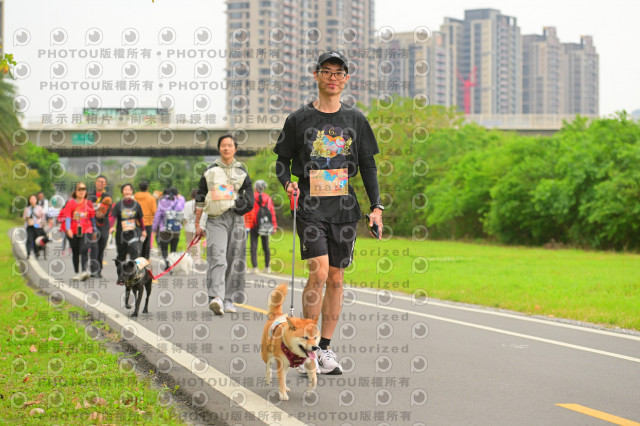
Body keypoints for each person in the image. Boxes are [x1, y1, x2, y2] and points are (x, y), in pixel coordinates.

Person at [274, 51, 384, 375]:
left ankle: (324, 347)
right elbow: (281, 162)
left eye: (338, 73)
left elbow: (368, 165)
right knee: (319, 272)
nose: (332, 77)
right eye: (327, 71)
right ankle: (307, 348)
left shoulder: (355, 119)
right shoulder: (298, 119)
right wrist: (288, 184)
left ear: (346, 79)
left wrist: (376, 207)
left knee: (336, 277)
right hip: (310, 205)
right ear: (316, 75)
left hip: (345, 208)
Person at [194, 134, 253, 315]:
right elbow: (200, 199)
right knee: (217, 257)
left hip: (236, 219)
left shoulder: (242, 172)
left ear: (235, 149)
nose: (226, 148)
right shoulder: (210, 171)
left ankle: (229, 299)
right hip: (215, 219)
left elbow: (249, 200)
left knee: (234, 259)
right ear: (219, 148)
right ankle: (216, 297)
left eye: (229, 145)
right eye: (223, 145)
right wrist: (197, 224)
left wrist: (235, 203)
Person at [109, 183, 146, 285]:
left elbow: (140, 218)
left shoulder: (136, 204)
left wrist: (143, 230)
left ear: (132, 191)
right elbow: (113, 217)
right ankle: (121, 277)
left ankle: (134, 274)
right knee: (121, 256)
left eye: (129, 190)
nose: (127, 192)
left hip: (134, 232)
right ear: (122, 192)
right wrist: (111, 226)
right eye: (125, 190)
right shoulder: (118, 205)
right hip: (121, 234)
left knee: (135, 250)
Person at [59, 182, 97, 281]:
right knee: (75, 251)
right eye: (79, 189)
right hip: (74, 230)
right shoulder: (70, 203)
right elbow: (67, 217)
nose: (81, 191)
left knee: (84, 249)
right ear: (75, 191)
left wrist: (94, 230)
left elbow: (92, 218)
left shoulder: (89, 203)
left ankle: (84, 271)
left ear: (86, 191)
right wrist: (68, 229)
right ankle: (76, 273)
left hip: (87, 229)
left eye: (83, 189)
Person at [247, 180, 277, 274]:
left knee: (253, 246)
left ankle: (255, 267)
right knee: (266, 246)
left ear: (255, 187)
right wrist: (274, 226)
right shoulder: (268, 198)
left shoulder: (252, 197)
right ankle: (267, 267)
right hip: (265, 225)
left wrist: (248, 223)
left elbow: (249, 211)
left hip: (254, 224)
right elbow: (272, 212)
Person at [152, 189, 184, 271]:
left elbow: (157, 216)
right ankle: (172, 264)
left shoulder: (162, 202)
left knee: (164, 248)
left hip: (164, 230)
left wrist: (154, 228)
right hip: (176, 230)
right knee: (173, 249)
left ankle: (167, 263)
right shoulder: (179, 202)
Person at [88, 175, 112, 278]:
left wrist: (100, 212)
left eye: (103, 182)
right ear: (95, 182)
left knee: (101, 248)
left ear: (105, 184)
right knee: (94, 247)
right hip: (92, 224)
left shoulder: (107, 196)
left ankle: (99, 270)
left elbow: (107, 210)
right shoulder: (90, 196)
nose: (100, 183)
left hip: (104, 225)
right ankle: (93, 270)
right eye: (99, 181)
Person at [134, 181, 157, 261]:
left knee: (138, 240)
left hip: (137, 222)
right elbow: (154, 211)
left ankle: (138, 257)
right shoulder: (151, 198)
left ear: (139, 188)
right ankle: (146, 258)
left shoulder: (135, 197)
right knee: (147, 241)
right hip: (148, 222)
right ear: (147, 188)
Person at [183, 188, 207, 260]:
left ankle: (190, 261)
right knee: (197, 245)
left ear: (192, 195)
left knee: (189, 245)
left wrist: (184, 227)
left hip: (189, 228)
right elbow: (205, 217)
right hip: (200, 228)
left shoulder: (187, 204)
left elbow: (184, 218)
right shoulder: (204, 204)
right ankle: (197, 260)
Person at [23, 194, 45, 259]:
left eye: (33, 199)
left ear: (36, 200)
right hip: (29, 226)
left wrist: (38, 223)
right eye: (31, 199)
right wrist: (27, 219)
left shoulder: (39, 208)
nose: (32, 200)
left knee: (36, 240)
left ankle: (37, 252)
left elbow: (43, 217)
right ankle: (28, 253)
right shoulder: (27, 209)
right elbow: (24, 217)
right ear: (29, 200)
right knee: (29, 239)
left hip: (37, 226)